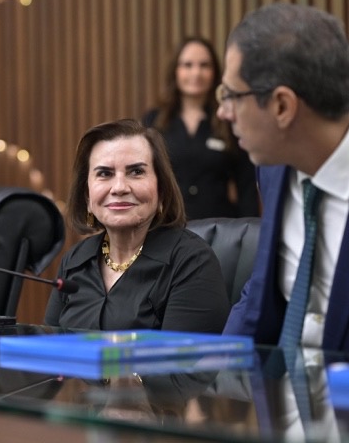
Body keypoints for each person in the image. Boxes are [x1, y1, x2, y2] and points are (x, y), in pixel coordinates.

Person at [219, 3, 349, 354]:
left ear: (282, 107)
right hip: (282, 398)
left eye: (231, 96)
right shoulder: (271, 163)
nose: (223, 112)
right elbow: (263, 291)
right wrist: (214, 381)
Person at [45, 119, 229, 332]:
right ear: (87, 196)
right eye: (104, 173)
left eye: (136, 172)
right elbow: (47, 350)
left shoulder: (192, 262)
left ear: (161, 190)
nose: (120, 187)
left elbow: (179, 364)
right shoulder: (75, 260)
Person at [142, 37, 258, 220]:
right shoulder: (154, 121)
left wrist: (250, 232)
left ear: (215, 72)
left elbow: (247, 186)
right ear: (175, 71)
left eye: (204, 65)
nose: (196, 73)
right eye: (187, 65)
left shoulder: (228, 119)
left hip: (218, 230)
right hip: (167, 228)